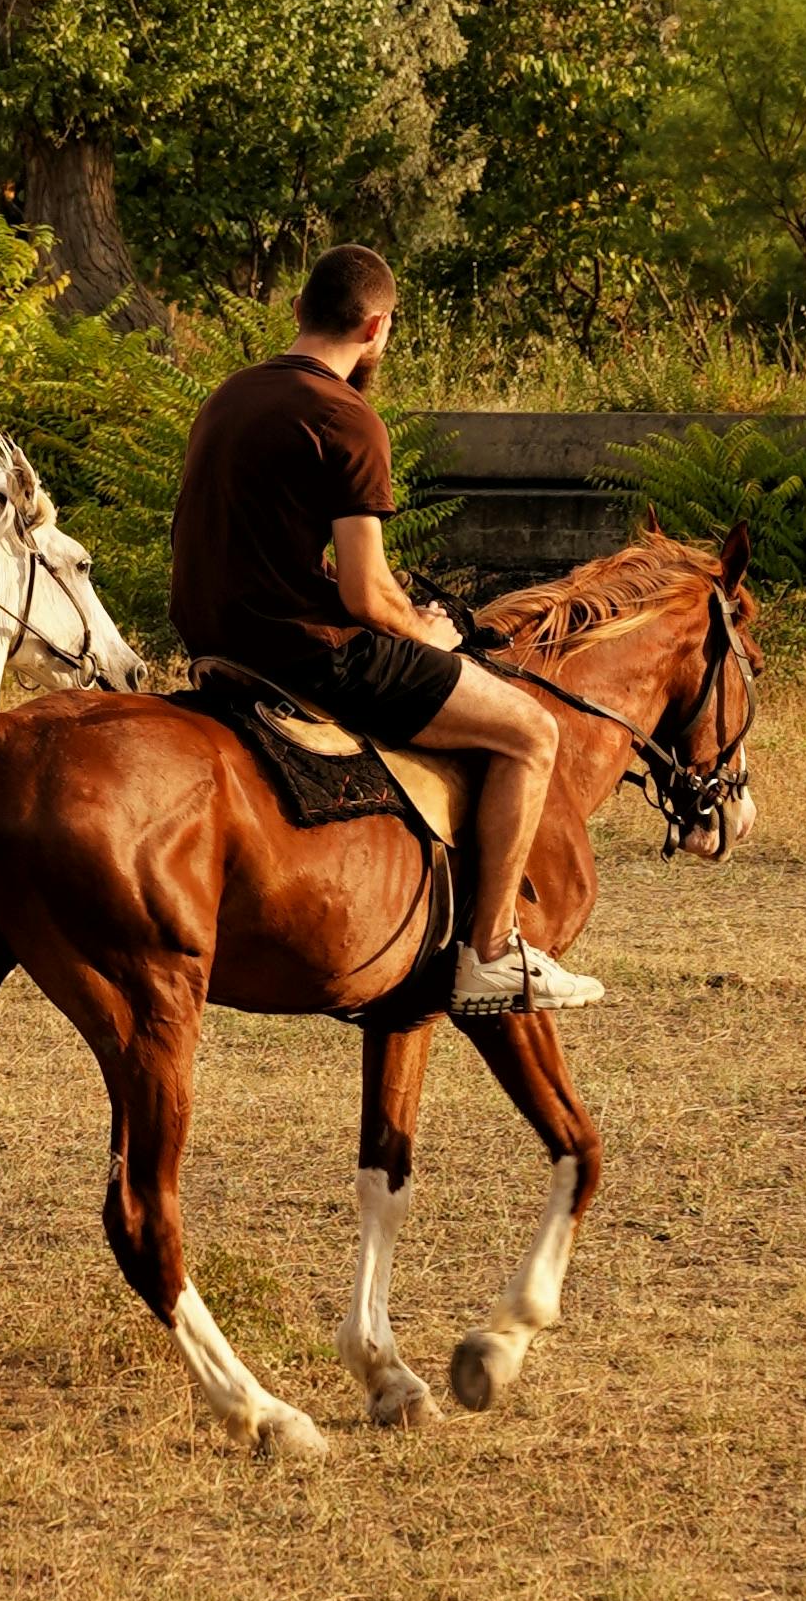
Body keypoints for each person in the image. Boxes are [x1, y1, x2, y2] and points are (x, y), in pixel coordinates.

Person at [166, 240, 602, 1020]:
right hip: (310, 659)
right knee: (531, 730)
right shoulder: (346, 418)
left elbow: (259, 548)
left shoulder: (228, 395)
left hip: (216, 648)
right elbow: (370, 595)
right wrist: (425, 632)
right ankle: (493, 953)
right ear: (376, 327)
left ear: (298, 311)